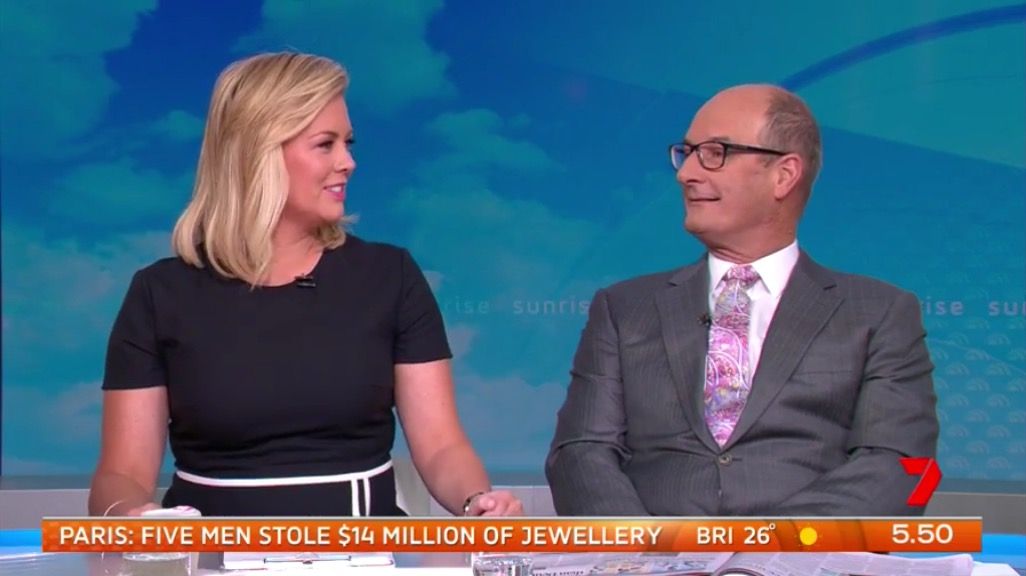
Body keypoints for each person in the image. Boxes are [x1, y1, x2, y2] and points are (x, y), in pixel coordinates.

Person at [89, 52, 521, 518]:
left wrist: (477, 503)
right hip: (211, 552)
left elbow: (441, 446)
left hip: (365, 551)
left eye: (348, 143)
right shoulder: (159, 294)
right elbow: (122, 475)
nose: (348, 162)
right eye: (325, 145)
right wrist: (130, 517)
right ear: (259, 151)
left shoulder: (389, 276)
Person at [546, 84, 938, 516]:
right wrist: (650, 549)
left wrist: (762, 548)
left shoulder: (878, 313)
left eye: (715, 153)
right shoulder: (623, 309)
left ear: (784, 175)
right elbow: (580, 453)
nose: (686, 174)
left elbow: (899, 463)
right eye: (687, 153)